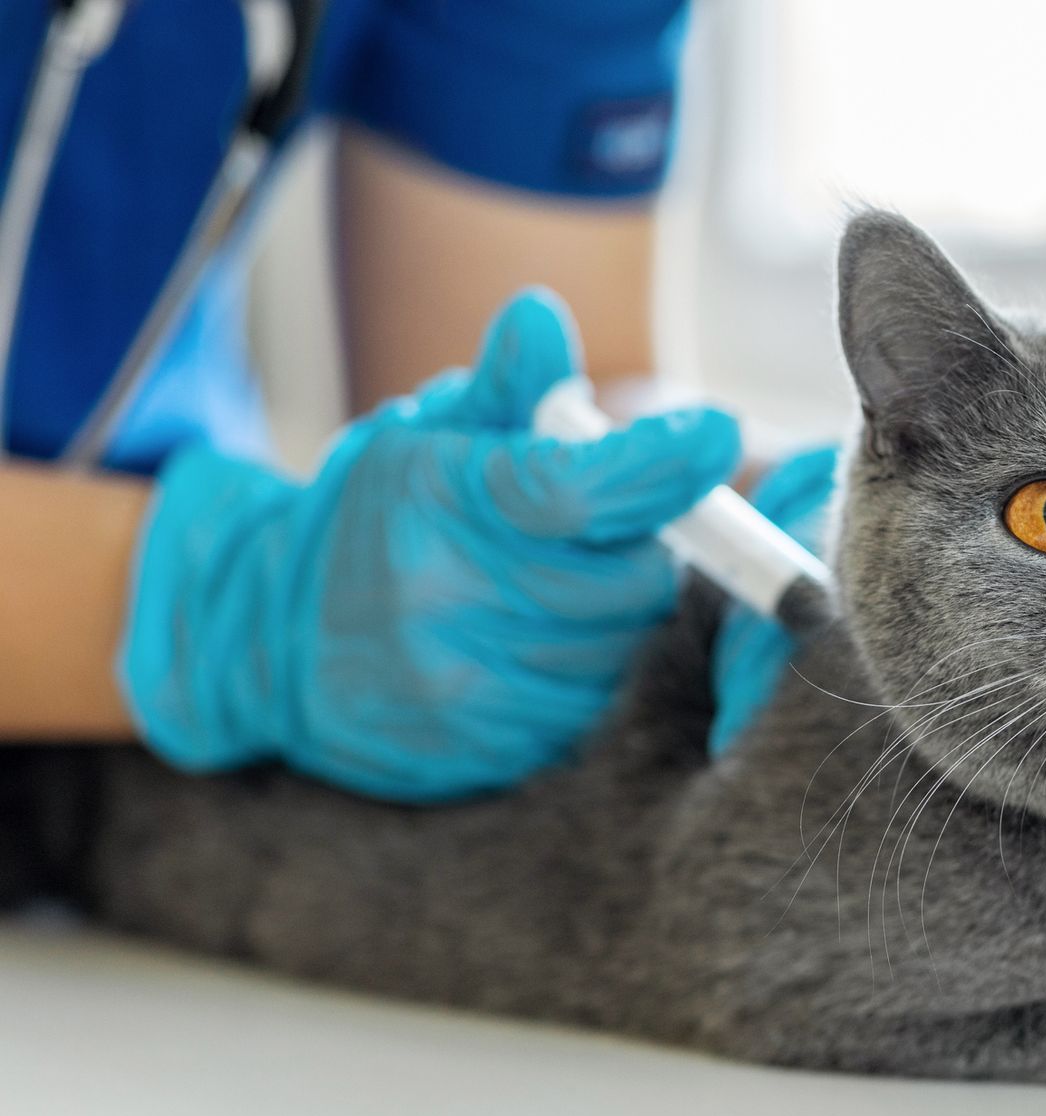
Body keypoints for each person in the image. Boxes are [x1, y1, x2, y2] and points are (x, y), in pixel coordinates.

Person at [0, 0, 824, 801]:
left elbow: (537, 403)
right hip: (145, 651)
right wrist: (228, 601)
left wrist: (793, 504)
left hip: (129, 773)